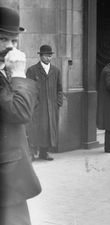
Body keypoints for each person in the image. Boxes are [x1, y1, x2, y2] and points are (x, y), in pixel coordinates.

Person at [0, 6, 41, 225]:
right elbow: (21, 112)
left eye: (14, 41)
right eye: (2, 39)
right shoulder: (10, 71)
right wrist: (18, 73)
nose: (9, 47)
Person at [26, 45, 63, 161]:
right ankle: (32, 152)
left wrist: (58, 103)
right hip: (38, 107)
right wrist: (34, 104)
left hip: (51, 106)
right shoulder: (32, 70)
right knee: (35, 129)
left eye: (50, 56)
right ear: (41, 56)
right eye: (46, 56)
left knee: (48, 129)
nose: (48, 58)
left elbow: (59, 89)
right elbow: (29, 89)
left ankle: (44, 152)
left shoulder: (55, 71)